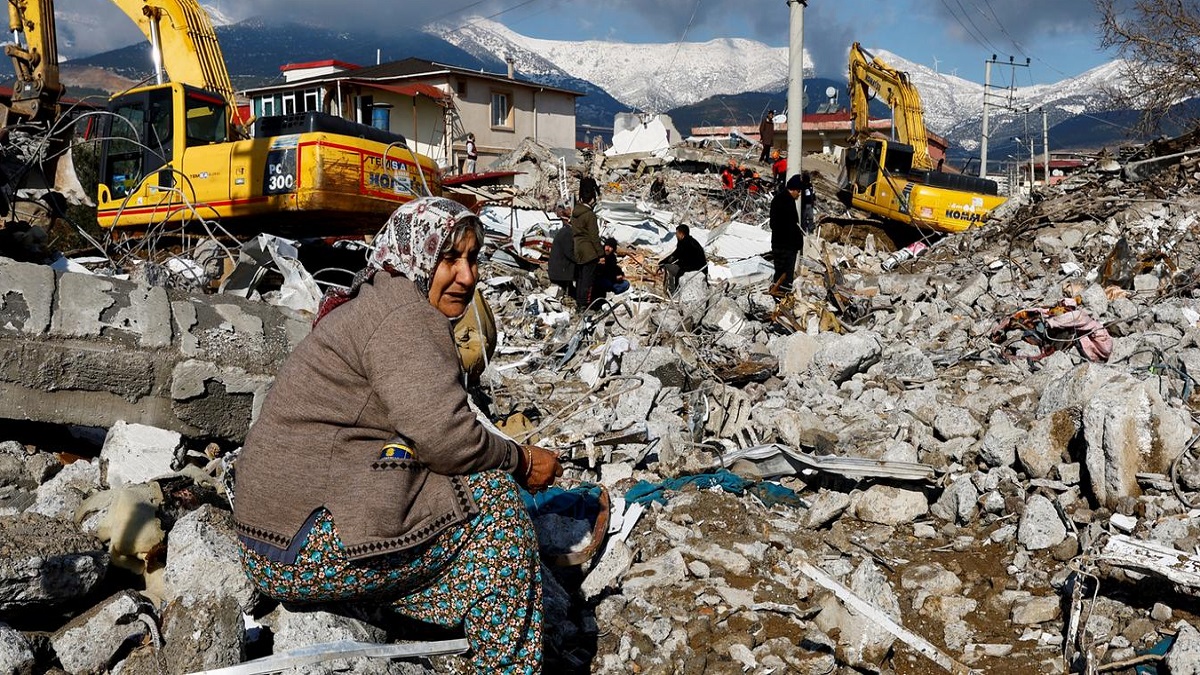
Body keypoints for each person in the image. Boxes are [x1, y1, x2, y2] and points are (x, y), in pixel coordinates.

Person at [233, 197, 563, 674]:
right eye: (449, 259)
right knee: (494, 506)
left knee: (437, 493)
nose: (467, 276)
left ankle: (436, 618)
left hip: (268, 540)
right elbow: (448, 439)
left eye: (472, 259)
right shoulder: (405, 318)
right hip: (299, 548)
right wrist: (523, 462)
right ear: (418, 255)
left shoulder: (378, 298)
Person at [770, 174, 804, 294]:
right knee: (786, 275)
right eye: (798, 191)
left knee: (779, 272)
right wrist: (797, 242)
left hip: (778, 245)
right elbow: (791, 226)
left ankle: (777, 293)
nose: (799, 194)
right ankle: (782, 297)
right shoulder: (787, 202)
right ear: (793, 189)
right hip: (787, 247)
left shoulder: (778, 199)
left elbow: (772, 224)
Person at [570, 182, 602, 310]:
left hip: (578, 249)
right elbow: (594, 236)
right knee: (588, 281)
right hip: (589, 251)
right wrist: (601, 253)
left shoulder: (575, 213)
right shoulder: (590, 215)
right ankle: (585, 306)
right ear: (592, 199)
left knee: (581, 279)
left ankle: (579, 303)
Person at [658, 224, 707, 294]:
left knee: (668, 268)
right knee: (673, 267)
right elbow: (676, 254)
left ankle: (673, 292)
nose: (676, 235)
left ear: (681, 234)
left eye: (677, 233)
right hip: (699, 268)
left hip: (694, 268)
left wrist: (665, 263)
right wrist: (664, 261)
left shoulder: (685, 243)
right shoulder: (690, 241)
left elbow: (678, 256)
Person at [547, 220, 576, 300]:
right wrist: (580, 260)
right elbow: (569, 252)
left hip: (558, 268)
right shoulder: (568, 234)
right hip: (561, 270)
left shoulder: (564, 231)